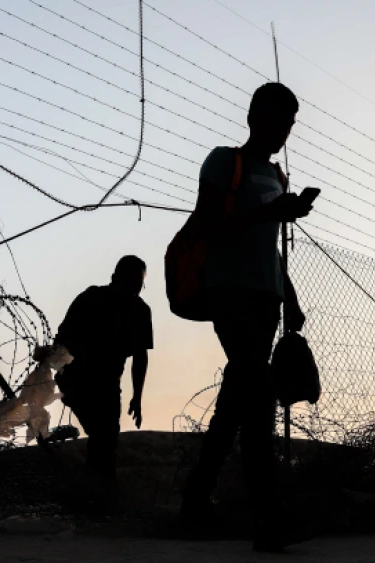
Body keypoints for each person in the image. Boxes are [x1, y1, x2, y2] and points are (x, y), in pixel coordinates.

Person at [179, 82, 312, 552]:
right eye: (277, 121)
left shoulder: (275, 175)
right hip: (228, 294)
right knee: (258, 401)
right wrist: (270, 212)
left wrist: (289, 295)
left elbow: (269, 246)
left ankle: (194, 500)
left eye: (290, 125)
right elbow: (208, 225)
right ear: (255, 117)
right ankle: (269, 520)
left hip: (266, 299)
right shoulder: (224, 162)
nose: (283, 132)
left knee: (236, 403)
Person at [54, 255, 153, 509]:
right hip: (77, 377)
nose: (135, 288)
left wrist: (137, 397)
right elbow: (63, 337)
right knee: (103, 435)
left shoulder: (139, 310)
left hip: (108, 383)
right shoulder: (91, 298)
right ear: (116, 277)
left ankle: (96, 496)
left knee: (105, 438)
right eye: (132, 281)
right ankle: (98, 495)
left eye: (139, 283)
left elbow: (140, 357)